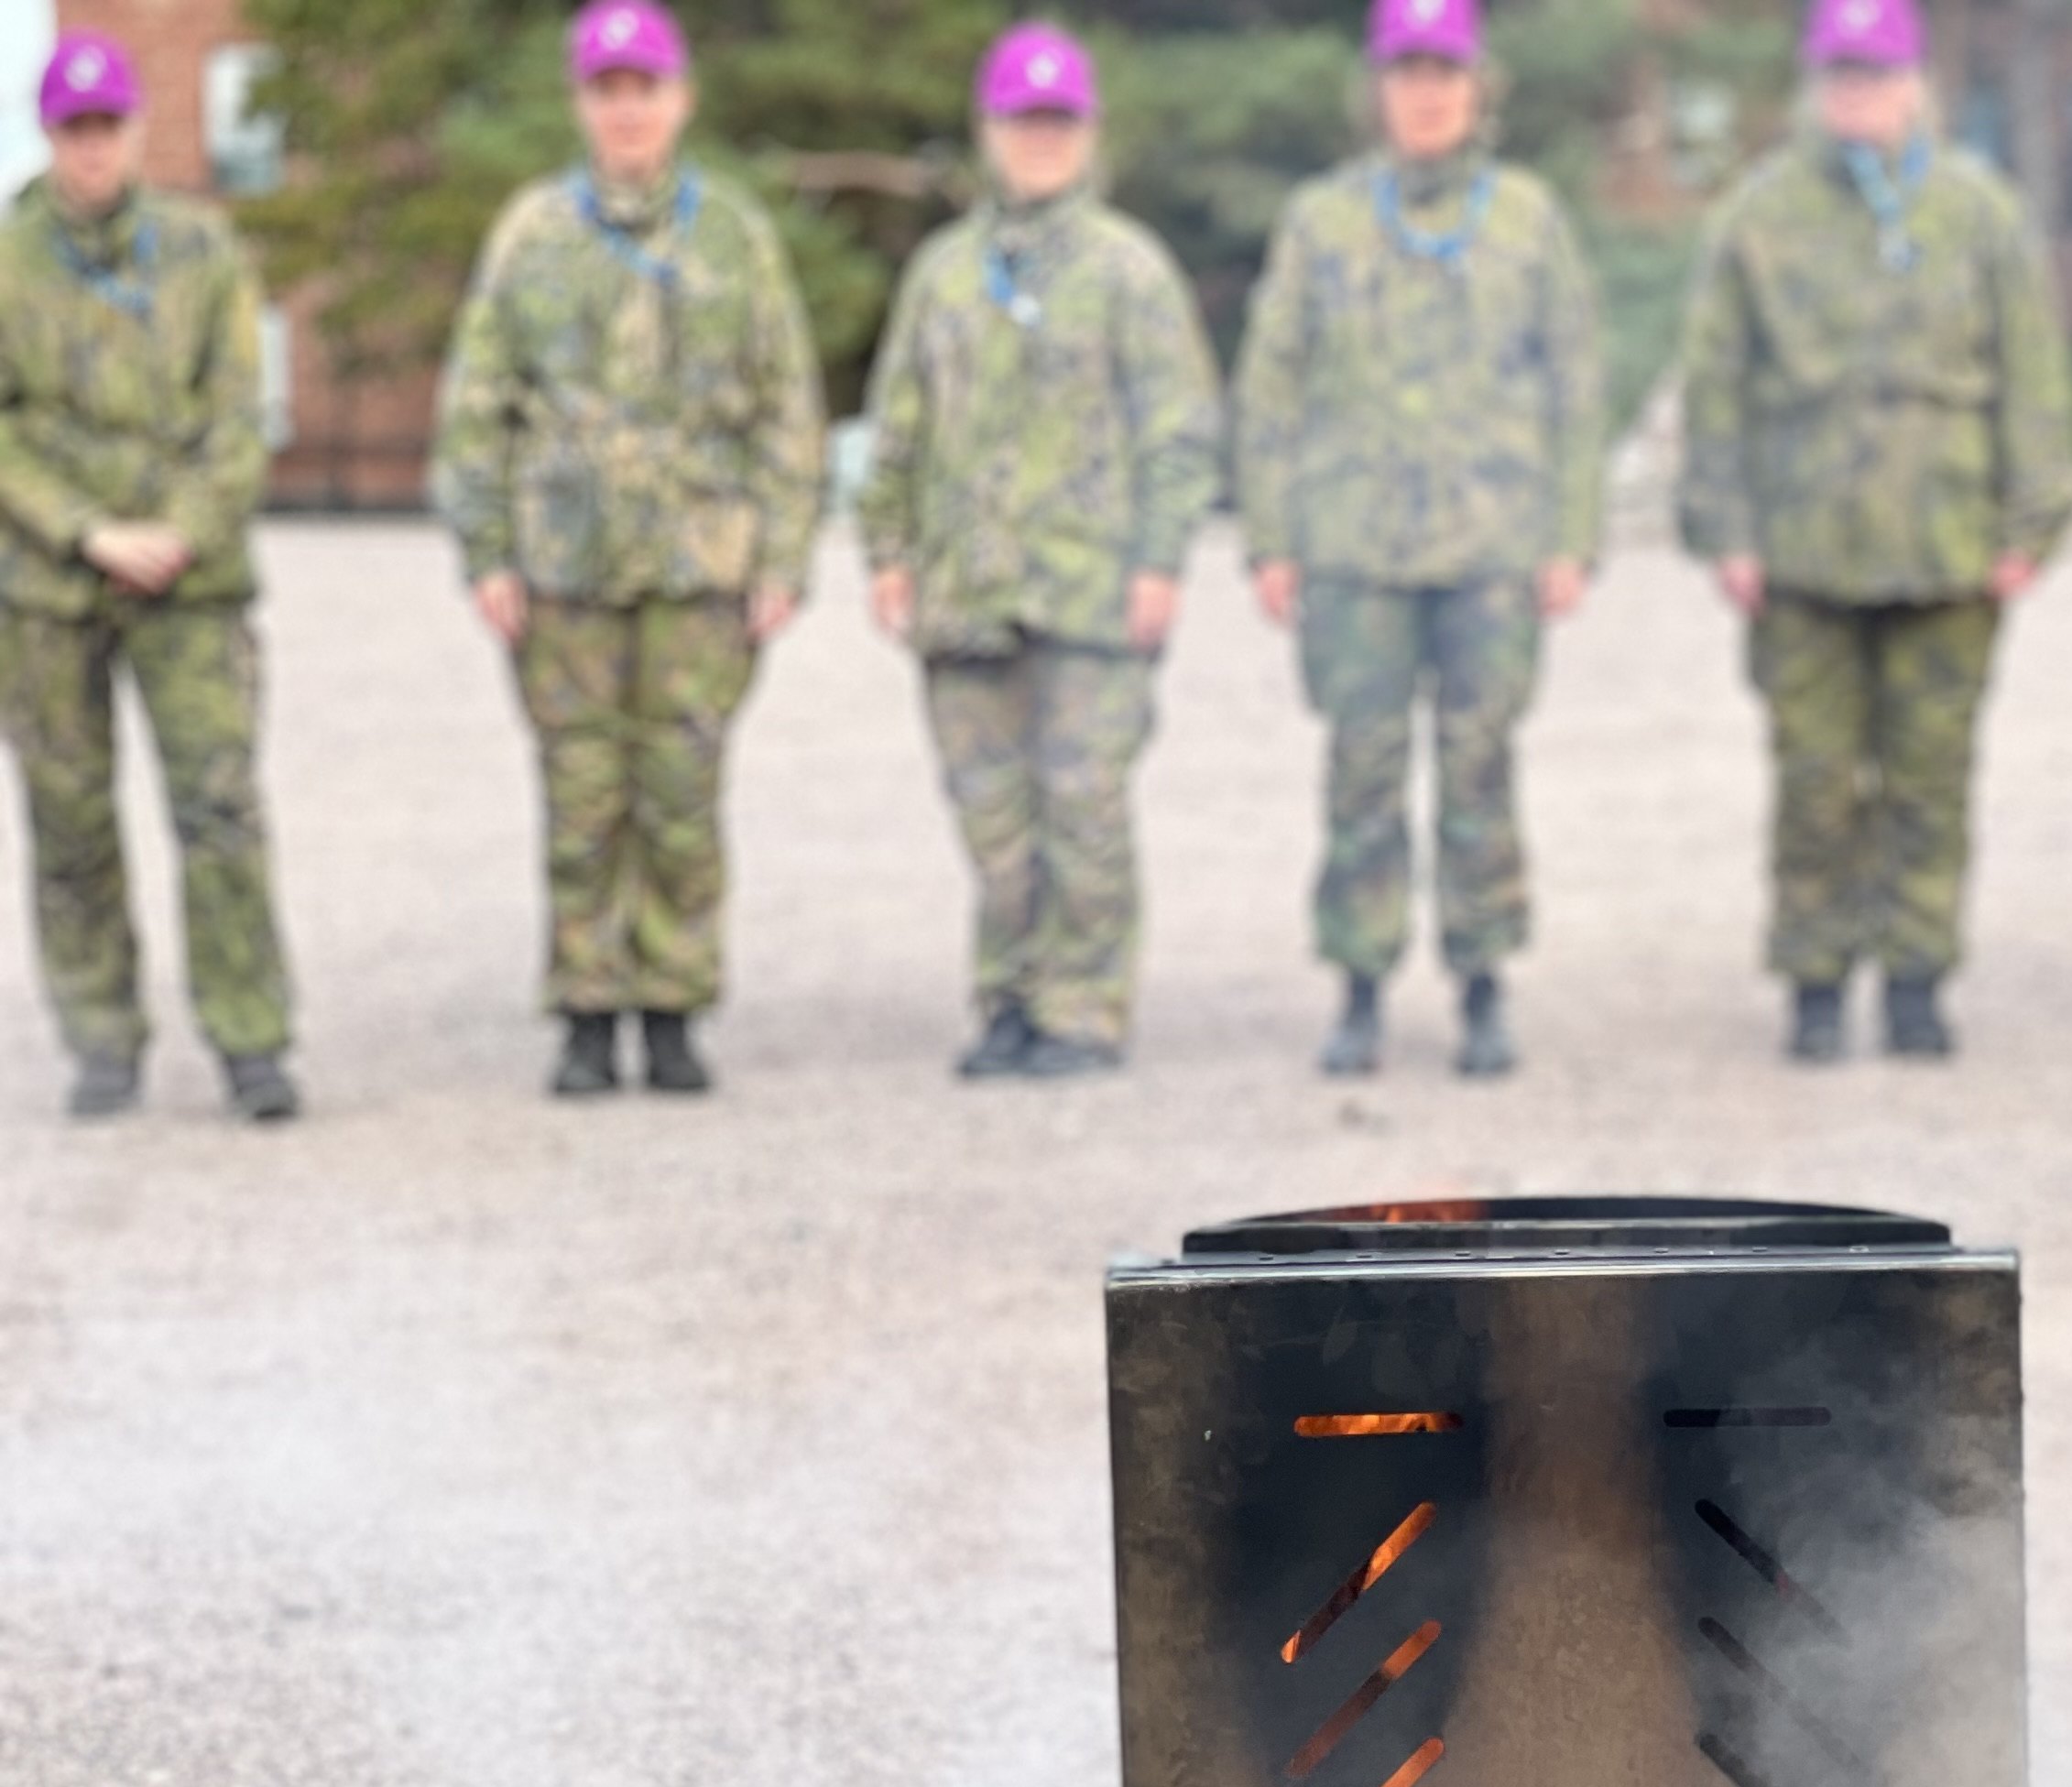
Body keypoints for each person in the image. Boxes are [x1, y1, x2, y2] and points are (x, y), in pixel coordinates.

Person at [1675, 0, 2072, 1063]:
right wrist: (1723, 530)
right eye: (1841, 75)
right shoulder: (1758, 217)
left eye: (1877, 74)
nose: (1859, 94)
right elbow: (1714, 386)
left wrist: (2031, 523)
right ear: (1817, 84)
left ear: (1915, 85)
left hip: (1947, 551)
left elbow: (2035, 378)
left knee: (1930, 780)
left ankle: (1916, 974)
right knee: (1814, 782)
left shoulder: (1979, 214)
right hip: (1804, 555)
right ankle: (1814, 979)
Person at [434, 0, 826, 1100]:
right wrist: (487, 551)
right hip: (564, 572)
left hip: (701, 567)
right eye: (608, 93)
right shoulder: (532, 235)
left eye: (645, 90)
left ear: (680, 99)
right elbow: (478, 405)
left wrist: (784, 554)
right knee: (581, 794)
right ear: (582, 105)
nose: (628, 111)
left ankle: (672, 1009)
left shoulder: (734, 236)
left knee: (683, 792)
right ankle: (586, 1010)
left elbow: (786, 406)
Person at [1238, 0, 1603, 1084]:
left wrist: (1569, 534)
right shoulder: (1323, 223)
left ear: (1479, 86)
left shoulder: (1529, 220)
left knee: (1481, 770)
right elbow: (1272, 382)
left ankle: (1483, 984)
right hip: (1354, 551)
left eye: (1446, 73)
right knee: (1362, 771)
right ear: (1379, 89)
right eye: (1409, 74)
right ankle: (1359, 985)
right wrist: (1270, 532)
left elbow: (1576, 386)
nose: (1428, 94)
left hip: (1492, 547)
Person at [858, 23, 1218, 1080]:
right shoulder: (945, 273)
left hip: (1091, 592)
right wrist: (887, 549)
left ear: (1088, 134)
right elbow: (899, 423)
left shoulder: (1130, 271)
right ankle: (1008, 999)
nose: (1041, 141)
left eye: (1059, 122)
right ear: (990, 132)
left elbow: (1181, 430)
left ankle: (1085, 1009)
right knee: (992, 815)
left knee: (1085, 807)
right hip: (966, 592)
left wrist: (1159, 560)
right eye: (1024, 122)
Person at [0, 37, 293, 1121]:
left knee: (218, 812)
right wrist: (85, 532)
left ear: (133, 130)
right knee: (69, 819)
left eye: (107, 127)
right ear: (50, 134)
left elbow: (238, 412)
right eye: (74, 130)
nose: (92, 150)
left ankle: (252, 1037)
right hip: (49, 591)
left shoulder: (202, 251)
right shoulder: (9, 257)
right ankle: (101, 1036)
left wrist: (178, 528)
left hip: (191, 582)